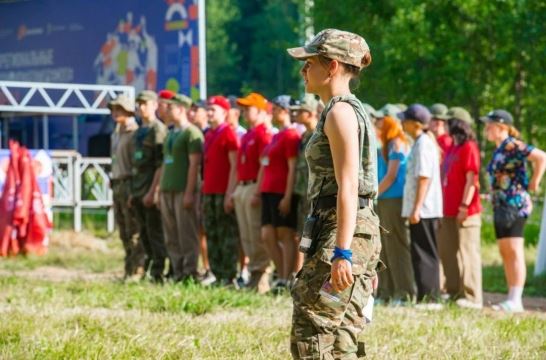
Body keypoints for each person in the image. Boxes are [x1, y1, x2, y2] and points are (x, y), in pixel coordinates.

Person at [287, 28, 381, 359]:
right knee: (343, 337)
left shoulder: (340, 112)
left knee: (311, 326)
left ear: (332, 67)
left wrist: (344, 252)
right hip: (355, 227)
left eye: (309, 62)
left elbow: (349, 186)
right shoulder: (349, 109)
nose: (303, 70)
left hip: (343, 227)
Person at [482, 109, 546, 312]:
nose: (486, 129)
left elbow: (541, 157)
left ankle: (516, 299)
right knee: (505, 250)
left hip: (515, 205)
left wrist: (535, 181)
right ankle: (511, 296)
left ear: (501, 126)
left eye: (489, 125)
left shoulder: (512, 145)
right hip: (501, 205)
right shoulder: (500, 148)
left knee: (514, 250)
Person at [437, 107, 483, 309]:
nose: (445, 124)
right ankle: (453, 291)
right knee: (448, 252)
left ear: (459, 124)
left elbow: (472, 178)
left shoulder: (469, 147)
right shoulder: (452, 146)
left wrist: (465, 205)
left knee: (467, 252)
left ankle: (473, 296)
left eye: (449, 121)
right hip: (447, 209)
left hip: (465, 210)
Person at [399, 104, 443, 304]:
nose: (402, 123)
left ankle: (430, 298)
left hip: (424, 210)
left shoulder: (424, 143)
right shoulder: (419, 142)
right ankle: (423, 297)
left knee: (425, 254)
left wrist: (416, 208)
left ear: (415, 124)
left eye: (405, 120)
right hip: (420, 209)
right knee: (419, 253)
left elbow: (424, 177)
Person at [159, 93, 204, 282]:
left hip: (182, 190)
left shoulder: (192, 133)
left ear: (182, 109)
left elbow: (194, 165)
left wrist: (189, 192)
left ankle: (189, 272)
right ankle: (177, 271)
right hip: (167, 189)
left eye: (172, 107)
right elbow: (164, 163)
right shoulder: (171, 132)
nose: (168, 110)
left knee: (187, 233)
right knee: (171, 234)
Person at [259, 95, 301, 291]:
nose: (272, 113)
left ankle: (286, 278)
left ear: (285, 111)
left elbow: (292, 167)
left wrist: (287, 195)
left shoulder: (291, 135)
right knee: (267, 234)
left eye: (275, 109)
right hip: (268, 190)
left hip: (280, 190)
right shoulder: (276, 135)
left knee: (285, 234)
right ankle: (281, 272)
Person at [233, 92, 272, 293]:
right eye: (243, 109)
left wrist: (258, 191)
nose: (244, 112)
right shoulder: (248, 134)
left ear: (260, 111)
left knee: (256, 233)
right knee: (246, 234)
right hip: (243, 185)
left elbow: (264, 164)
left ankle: (261, 277)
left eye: (248, 108)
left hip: (254, 186)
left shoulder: (262, 133)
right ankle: (253, 275)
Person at [375, 114, 415, 303]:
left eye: (381, 120)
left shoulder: (397, 143)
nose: (377, 124)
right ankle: (386, 291)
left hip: (394, 200)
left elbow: (391, 177)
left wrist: (373, 194)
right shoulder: (388, 143)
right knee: (384, 248)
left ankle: (404, 292)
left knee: (397, 248)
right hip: (384, 199)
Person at [202, 95, 240, 285]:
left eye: (213, 110)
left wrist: (229, 193)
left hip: (222, 191)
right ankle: (217, 273)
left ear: (224, 113)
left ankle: (229, 274)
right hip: (209, 191)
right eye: (208, 109)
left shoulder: (228, 134)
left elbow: (234, 166)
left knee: (226, 235)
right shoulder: (209, 134)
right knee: (212, 232)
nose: (209, 113)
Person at [131, 90, 168, 283]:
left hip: (150, 190)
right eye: (139, 104)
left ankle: (159, 272)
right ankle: (148, 268)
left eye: (145, 103)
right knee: (143, 234)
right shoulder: (139, 131)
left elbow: (160, 164)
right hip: (138, 189)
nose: (141, 107)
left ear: (154, 105)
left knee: (155, 233)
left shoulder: (158, 130)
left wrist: (154, 191)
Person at [108, 94, 145, 279]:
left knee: (134, 229)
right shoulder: (116, 133)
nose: (115, 113)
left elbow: (137, 164)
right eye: (113, 109)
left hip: (130, 183)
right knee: (123, 230)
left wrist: (135, 189)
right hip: (117, 183)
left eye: (119, 109)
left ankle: (138, 269)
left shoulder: (134, 133)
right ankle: (128, 268)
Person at [291, 94, 319, 274]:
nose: (296, 114)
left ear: (309, 113)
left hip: (315, 193)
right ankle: (300, 272)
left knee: (312, 235)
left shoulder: (319, 134)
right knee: (301, 234)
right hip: (303, 192)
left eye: (300, 111)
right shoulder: (304, 136)